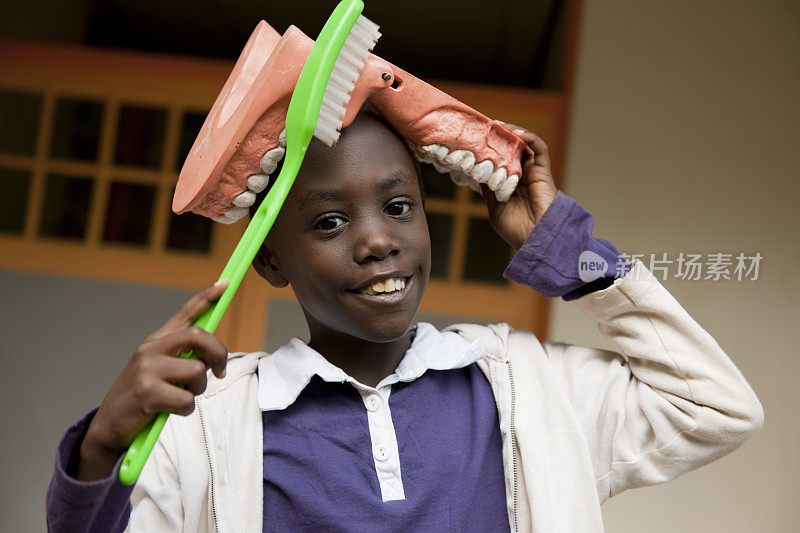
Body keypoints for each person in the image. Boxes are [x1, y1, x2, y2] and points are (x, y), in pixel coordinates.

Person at [45, 106, 763, 532]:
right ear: (270, 263)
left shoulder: (529, 386)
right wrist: (103, 444)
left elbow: (716, 405)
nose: (378, 239)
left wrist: (569, 251)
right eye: (329, 221)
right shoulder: (210, 423)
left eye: (398, 206)